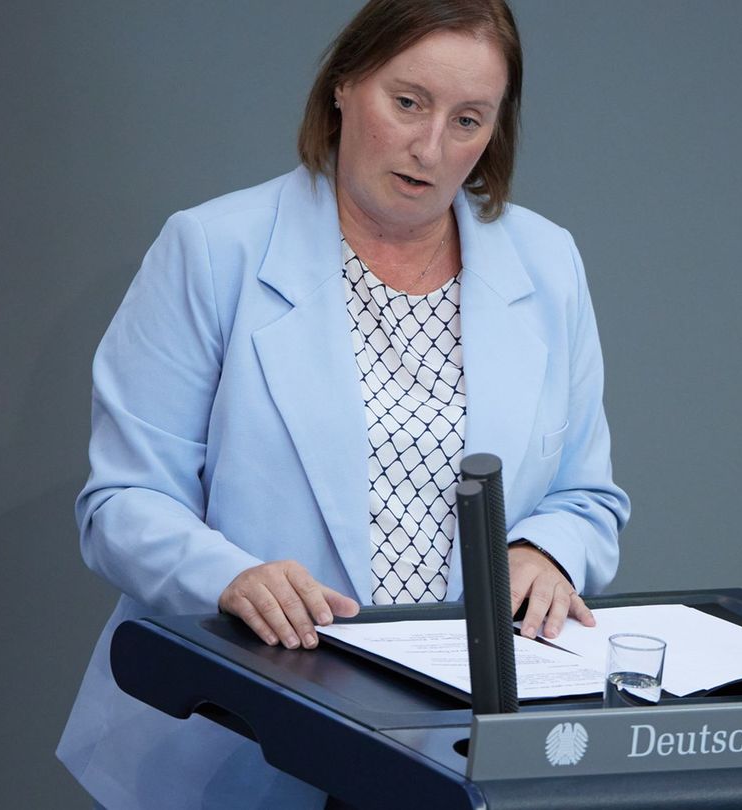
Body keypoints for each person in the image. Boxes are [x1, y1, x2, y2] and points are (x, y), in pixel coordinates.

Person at [57, 1, 630, 807]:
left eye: (468, 120)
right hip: (245, 731)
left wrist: (546, 551)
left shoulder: (548, 263)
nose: (431, 147)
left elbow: (587, 497)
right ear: (345, 83)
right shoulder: (213, 249)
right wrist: (230, 577)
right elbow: (121, 504)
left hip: (457, 749)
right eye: (409, 103)